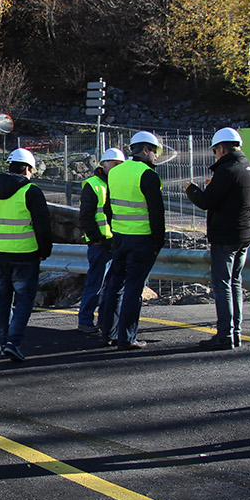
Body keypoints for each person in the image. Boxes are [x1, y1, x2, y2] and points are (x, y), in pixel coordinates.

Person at [184, 127, 250, 350]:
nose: (215, 155)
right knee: (235, 283)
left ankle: (225, 335)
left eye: (215, 151)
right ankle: (235, 332)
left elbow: (206, 201)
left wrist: (192, 190)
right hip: (244, 234)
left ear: (222, 149)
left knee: (223, 285)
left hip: (226, 236)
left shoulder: (226, 171)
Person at [0, 147, 53, 362]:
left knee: (3, 302)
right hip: (26, 256)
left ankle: (4, 343)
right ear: (27, 168)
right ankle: (13, 342)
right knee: (24, 302)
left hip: (0, 255)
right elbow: (43, 227)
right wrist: (44, 252)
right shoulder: (30, 191)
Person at [98, 131, 165, 351]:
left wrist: (117, 229)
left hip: (119, 238)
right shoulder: (148, 175)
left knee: (115, 286)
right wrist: (158, 241)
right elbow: (156, 212)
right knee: (133, 290)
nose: (156, 157)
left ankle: (108, 332)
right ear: (145, 150)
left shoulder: (115, 172)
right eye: (155, 152)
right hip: (142, 240)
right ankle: (127, 338)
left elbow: (108, 207)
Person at [76, 148, 124, 334]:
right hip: (100, 244)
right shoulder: (93, 184)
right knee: (95, 284)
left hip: (117, 242)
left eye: (120, 164)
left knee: (112, 286)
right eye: (113, 164)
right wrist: (96, 239)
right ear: (103, 165)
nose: (116, 168)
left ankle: (105, 321)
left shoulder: (118, 183)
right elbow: (85, 216)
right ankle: (86, 320)